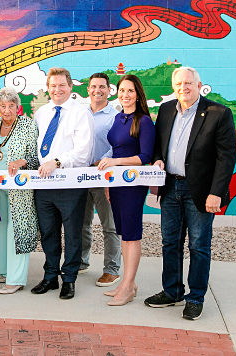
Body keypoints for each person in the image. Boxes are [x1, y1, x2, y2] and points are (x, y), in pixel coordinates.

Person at [145, 66, 236, 321]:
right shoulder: (165, 110)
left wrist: (216, 192)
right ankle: (172, 291)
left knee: (198, 246)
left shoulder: (219, 113)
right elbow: (157, 147)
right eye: (178, 84)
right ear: (173, 88)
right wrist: (158, 160)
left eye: (188, 83)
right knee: (170, 243)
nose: (183, 88)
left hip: (201, 191)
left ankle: (195, 298)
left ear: (199, 85)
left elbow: (226, 158)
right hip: (170, 187)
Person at [32, 67, 93, 300]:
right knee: (48, 232)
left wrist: (56, 162)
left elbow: (83, 153)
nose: (57, 90)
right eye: (53, 86)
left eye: (61, 85)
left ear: (70, 87)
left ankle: (69, 279)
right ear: (48, 88)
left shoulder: (80, 113)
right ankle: (50, 277)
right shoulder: (42, 112)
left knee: (72, 234)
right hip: (44, 185)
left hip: (70, 184)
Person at [97, 74, 155, 306]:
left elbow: (145, 156)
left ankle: (129, 286)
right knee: (123, 233)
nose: (125, 95)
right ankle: (126, 282)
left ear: (138, 94)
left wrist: (116, 163)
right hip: (117, 183)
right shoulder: (119, 117)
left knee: (132, 234)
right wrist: (110, 183)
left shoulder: (144, 121)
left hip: (132, 183)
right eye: (121, 91)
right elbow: (116, 149)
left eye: (130, 91)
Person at [0, 87, 39, 294]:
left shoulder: (27, 125)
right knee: (1, 228)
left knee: (16, 231)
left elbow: (36, 158)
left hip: (20, 189)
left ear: (18, 107)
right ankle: (6, 271)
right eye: (2, 106)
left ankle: (16, 279)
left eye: (11, 106)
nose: (6, 110)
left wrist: (21, 161)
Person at [80, 73, 122, 287]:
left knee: (109, 225)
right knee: (82, 222)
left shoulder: (116, 116)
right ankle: (81, 261)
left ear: (109, 90)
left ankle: (112, 269)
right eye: (94, 86)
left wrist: (104, 160)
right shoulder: (79, 113)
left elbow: (119, 145)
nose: (98, 90)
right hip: (79, 175)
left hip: (103, 176)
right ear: (88, 89)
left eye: (102, 87)